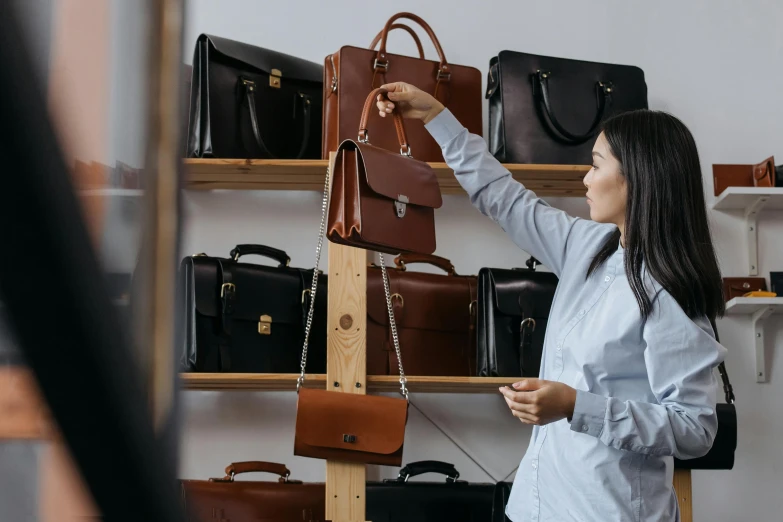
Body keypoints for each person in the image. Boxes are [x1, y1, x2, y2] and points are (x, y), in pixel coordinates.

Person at [376, 82, 727, 522]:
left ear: (637, 177)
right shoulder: (589, 244)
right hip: (533, 507)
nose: (585, 178)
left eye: (596, 165)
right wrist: (435, 116)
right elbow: (504, 199)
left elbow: (695, 430)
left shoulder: (670, 289)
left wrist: (576, 406)